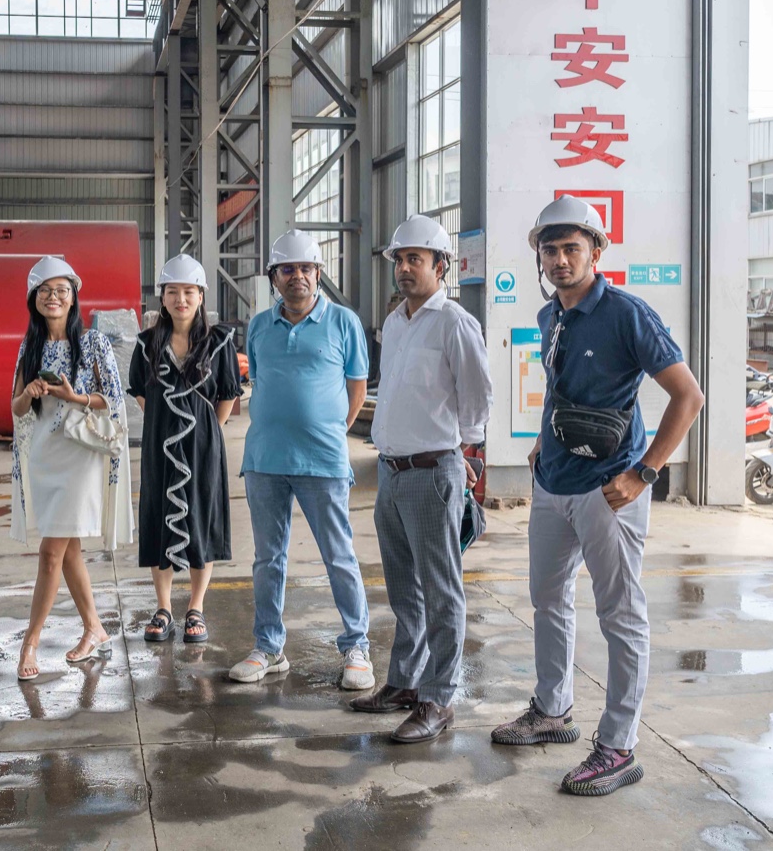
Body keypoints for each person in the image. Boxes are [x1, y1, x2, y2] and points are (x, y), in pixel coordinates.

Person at [491, 196, 703, 797]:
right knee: (548, 599)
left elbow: (688, 396)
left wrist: (645, 473)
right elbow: (561, 387)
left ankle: (618, 746)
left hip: (610, 489)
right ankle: (552, 710)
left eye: (571, 249)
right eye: (550, 250)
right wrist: (541, 443)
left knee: (620, 614)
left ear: (596, 251)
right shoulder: (549, 316)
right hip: (553, 482)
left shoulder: (626, 314)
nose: (560, 260)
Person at [350, 215, 492, 743]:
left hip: (433, 472)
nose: (405, 268)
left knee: (441, 592)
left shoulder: (454, 323)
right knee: (403, 589)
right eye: (400, 260)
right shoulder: (397, 322)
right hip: (391, 472)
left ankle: (438, 698)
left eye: (416, 259)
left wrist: (465, 453)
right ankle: (405, 682)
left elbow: (477, 395)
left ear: (441, 265)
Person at [228, 230, 376, 691]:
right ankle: (269, 647)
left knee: (339, 555)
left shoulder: (344, 322)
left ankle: (356, 647)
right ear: (274, 277)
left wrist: (327, 430)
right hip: (265, 459)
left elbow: (356, 390)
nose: (298, 276)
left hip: (323, 460)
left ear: (318, 273)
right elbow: (261, 381)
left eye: (306, 268)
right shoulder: (258, 326)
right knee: (268, 559)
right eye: (288, 269)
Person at [9, 256, 130, 680]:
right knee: (69, 550)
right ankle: (94, 627)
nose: (54, 297)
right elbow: (16, 407)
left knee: (50, 553)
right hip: (46, 456)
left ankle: (31, 640)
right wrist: (31, 392)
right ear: (34, 299)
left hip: (79, 457)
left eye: (61, 290)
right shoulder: (30, 346)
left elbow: (112, 399)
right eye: (45, 291)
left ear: (73, 296)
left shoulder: (93, 343)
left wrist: (73, 396)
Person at [128, 254, 242, 644]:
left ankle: (196, 607)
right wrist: (165, 423)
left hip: (204, 448)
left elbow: (227, 394)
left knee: (201, 522)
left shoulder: (218, 342)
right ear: (162, 298)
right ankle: (163, 608)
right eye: (173, 292)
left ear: (201, 296)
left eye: (189, 291)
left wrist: (206, 432)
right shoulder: (147, 344)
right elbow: (141, 392)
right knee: (160, 519)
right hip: (159, 447)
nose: (181, 299)